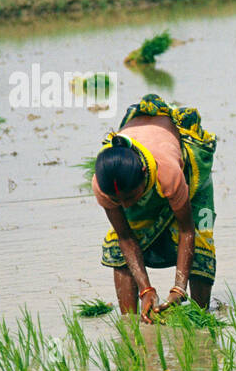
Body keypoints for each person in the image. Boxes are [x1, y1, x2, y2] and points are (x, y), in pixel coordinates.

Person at [92, 94, 217, 320]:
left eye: (130, 197)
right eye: (118, 201)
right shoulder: (104, 185)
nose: (126, 205)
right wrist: (146, 290)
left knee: (200, 239)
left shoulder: (167, 171)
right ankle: (131, 322)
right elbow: (126, 238)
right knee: (117, 248)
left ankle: (200, 317)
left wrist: (179, 287)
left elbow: (186, 230)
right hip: (140, 175)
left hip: (189, 174)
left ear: (143, 175)